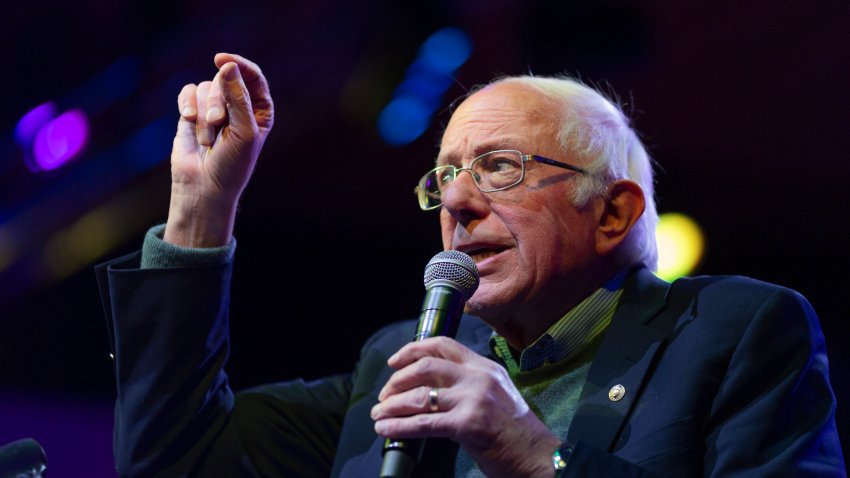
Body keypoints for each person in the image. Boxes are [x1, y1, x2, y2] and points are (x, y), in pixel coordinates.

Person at [95, 53, 846, 477]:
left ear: (612, 213)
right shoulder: (397, 362)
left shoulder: (735, 332)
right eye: (445, 177)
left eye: (499, 167)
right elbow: (173, 460)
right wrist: (201, 204)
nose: (457, 200)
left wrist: (530, 449)